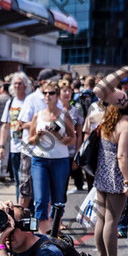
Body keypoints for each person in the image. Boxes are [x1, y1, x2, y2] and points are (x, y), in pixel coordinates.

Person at [28, 81, 75, 234]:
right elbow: (29, 140)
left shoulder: (64, 115)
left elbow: (73, 139)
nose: (48, 96)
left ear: (57, 96)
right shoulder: (38, 115)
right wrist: (38, 136)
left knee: (58, 199)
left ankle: (54, 231)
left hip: (60, 160)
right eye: (45, 93)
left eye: (51, 93)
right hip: (39, 160)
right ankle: (42, 234)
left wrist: (58, 136)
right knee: (41, 199)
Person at [17, 68, 61, 208]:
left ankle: (45, 224)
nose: (56, 84)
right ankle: (19, 222)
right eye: (53, 81)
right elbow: (22, 123)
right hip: (31, 150)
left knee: (45, 191)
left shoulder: (56, 99)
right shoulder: (32, 99)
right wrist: (42, 124)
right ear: (43, 82)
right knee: (26, 189)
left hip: (51, 153)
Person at [93, 105, 128, 256]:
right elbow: (122, 156)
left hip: (102, 174)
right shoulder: (125, 126)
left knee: (102, 218)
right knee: (112, 220)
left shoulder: (106, 121)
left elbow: (88, 120)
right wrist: (127, 181)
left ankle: (102, 255)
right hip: (116, 177)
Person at [0, 72, 32, 200]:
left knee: (27, 181)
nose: (17, 86)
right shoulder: (10, 102)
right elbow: (5, 126)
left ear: (25, 85)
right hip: (14, 147)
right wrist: (1, 146)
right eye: (15, 83)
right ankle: (20, 210)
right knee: (18, 181)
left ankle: (29, 208)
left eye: (20, 83)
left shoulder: (29, 101)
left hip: (28, 147)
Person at [59, 79, 84, 192]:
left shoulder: (76, 111)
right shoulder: (54, 110)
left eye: (69, 90)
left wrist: (77, 155)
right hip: (57, 154)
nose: (68, 93)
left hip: (71, 154)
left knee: (78, 184)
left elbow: (79, 135)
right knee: (59, 187)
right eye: (64, 91)